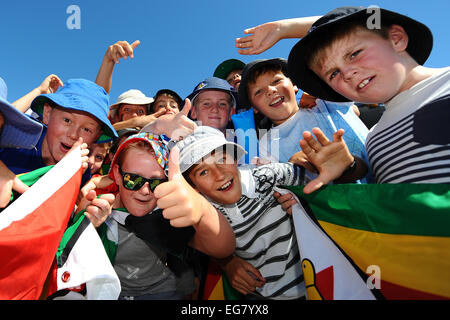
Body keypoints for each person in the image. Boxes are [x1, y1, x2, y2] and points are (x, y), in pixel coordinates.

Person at [174, 126, 365, 299]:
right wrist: (228, 262)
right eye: (203, 172)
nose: (219, 174)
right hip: (263, 296)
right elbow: (204, 244)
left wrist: (347, 167)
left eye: (222, 159)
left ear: (234, 158)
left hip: (324, 286)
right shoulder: (199, 213)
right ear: (194, 187)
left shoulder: (270, 176)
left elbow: (340, 178)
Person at [286, 6, 450, 183]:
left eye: (354, 54)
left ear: (397, 39)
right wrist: (348, 168)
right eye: (333, 74)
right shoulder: (374, 140)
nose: (347, 74)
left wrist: (283, 29)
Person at [99, 131, 235, 299]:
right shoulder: (97, 208)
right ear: (118, 175)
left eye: (156, 182)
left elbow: (223, 248)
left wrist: (202, 211)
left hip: (160, 292)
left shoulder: (164, 215)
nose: (145, 191)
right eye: (133, 179)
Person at [237, 58, 370, 183]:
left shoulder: (325, 102)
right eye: (258, 91)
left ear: (294, 85)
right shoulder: (266, 145)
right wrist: (291, 170)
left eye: (276, 81)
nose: (270, 90)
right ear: (254, 108)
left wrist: (318, 92)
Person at [95, 40, 166, 131]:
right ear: (116, 117)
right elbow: (97, 99)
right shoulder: (104, 143)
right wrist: (108, 61)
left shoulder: (159, 140)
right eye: (127, 110)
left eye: (140, 111)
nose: (134, 115)